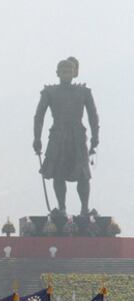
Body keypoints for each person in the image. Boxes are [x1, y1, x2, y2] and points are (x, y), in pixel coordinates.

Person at [33, 58, 99, 216]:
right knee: (58, 173)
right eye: (63, 72)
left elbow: (93, 116)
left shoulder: (84, 92)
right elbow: (39, 116)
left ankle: (84, 209)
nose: (66, 74)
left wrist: (95, 136)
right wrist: (37, 138)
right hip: (58, 136)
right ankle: (62, 208)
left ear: (74, 73)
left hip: (78, 135)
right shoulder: (50, 92)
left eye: (69, 71)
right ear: (57, 73)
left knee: (83, 174)